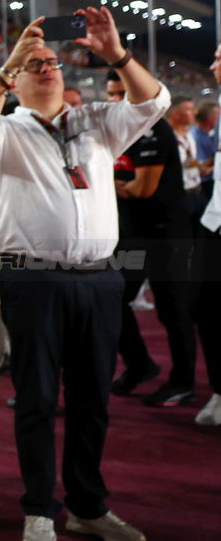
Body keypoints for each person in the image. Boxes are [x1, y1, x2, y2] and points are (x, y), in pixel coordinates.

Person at [0, 12, 168, 541]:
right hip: (33, 280)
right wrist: (7, 66)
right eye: (35, 65)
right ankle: (38, 509)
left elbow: (153, 102)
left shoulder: (96, 119)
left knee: (92, 399)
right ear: (17, 80)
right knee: (36, 398)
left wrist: (116, 53)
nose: (47, 68)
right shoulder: (6, 129)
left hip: (99, 281)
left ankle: (87, 505)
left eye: (52, 61)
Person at [111, 109, 194, 407]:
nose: (114, 100)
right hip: (131, 236)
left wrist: (110, 185)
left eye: (120, 92)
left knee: (173, 311)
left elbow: (143, 188)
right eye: (110, 93)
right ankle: (140, 364)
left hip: (165, 235)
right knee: (112, 298)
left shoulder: (153, 129)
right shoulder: (113, 128)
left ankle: (184, 382)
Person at [194, 43, 221, 426]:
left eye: (219, 56)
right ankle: (218, 389)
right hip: (213, 225)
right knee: (207, 312)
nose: (213, 63)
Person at [191, 99, 218, 206]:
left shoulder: (205, 134)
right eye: (218, 115)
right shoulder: (197, 137)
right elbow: (200, 163)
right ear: (209, 117)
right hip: (205, 184)